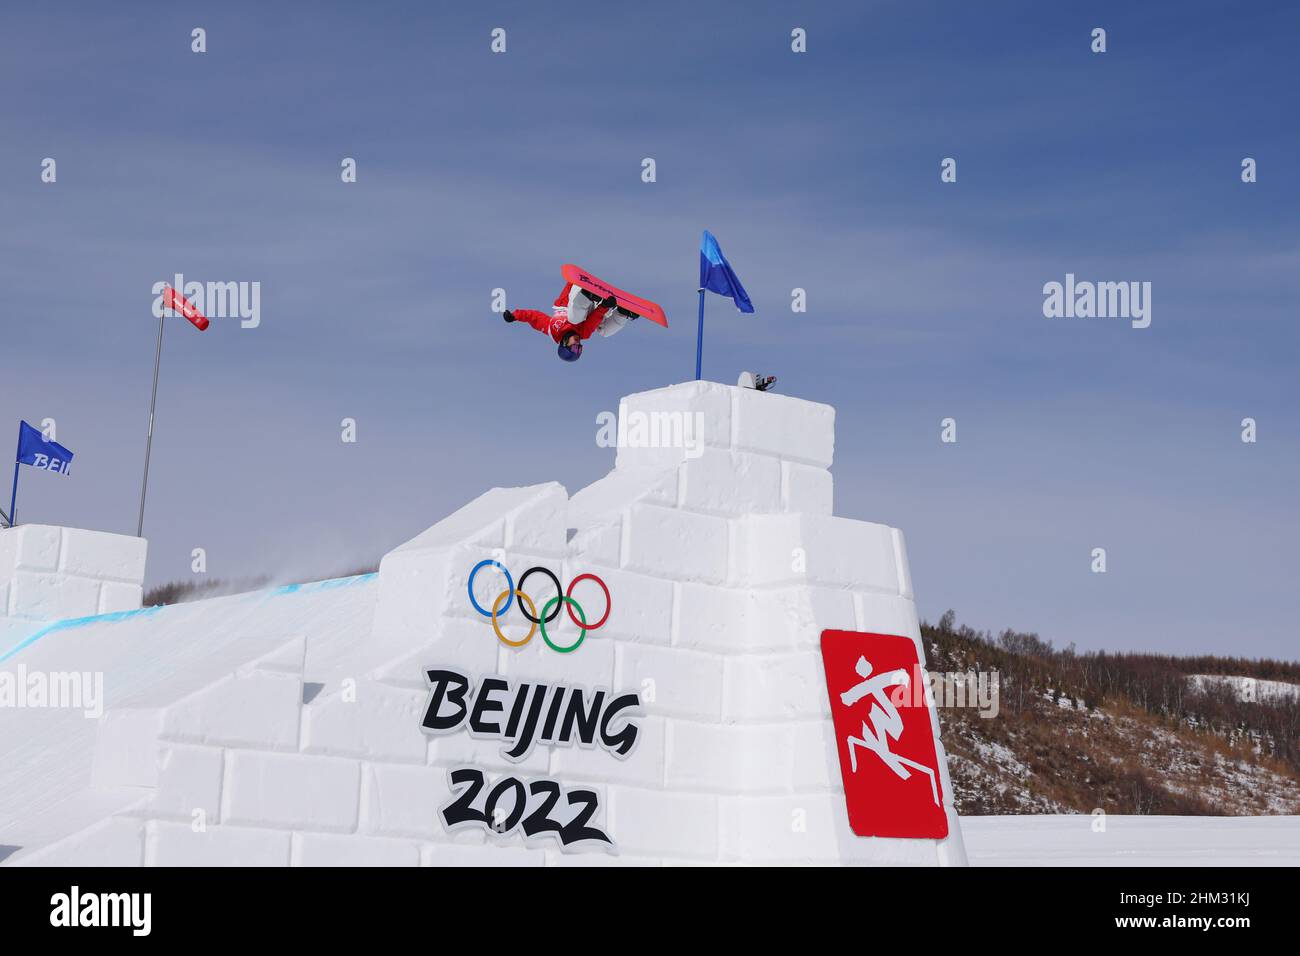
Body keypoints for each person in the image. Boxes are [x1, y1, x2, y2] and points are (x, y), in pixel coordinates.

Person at [504, 282, 636, 362]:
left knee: (574, 318)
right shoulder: (583, 333)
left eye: (574, 347)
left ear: (564, 344)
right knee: (604, 331)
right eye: (580, 348)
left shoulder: (553, 329)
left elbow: (533, 317)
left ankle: (587, 295)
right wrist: (605, 306)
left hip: (576, 292)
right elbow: (593, 320)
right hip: (595, 304)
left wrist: (514, 316)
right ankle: (623, 313)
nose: (578, 343)